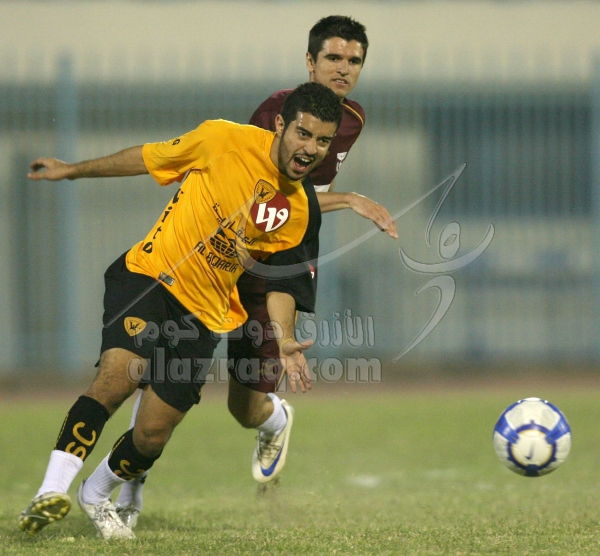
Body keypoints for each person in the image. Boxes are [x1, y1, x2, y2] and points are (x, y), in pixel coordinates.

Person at [18, 82, 343, 540]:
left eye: (323, 141)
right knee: (118, 376)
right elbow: (147, 158)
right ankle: (50, 490)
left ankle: (96, 492)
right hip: (149, 277)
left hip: (204, 316)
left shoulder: (303, 210)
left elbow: (281, 285)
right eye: (303, 134)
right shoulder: (222, 139)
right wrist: (73, 170)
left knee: (152, 434)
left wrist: (285, 338)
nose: (310, 149)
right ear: (279, 125)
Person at [113, 15, 398, 529]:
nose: (344, 68)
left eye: (354, 60)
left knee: (244, 407)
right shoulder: (275, 112)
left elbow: (299, 199)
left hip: (275, 273)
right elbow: (256, 193)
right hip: (224, 264)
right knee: (163, 374)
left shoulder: (352, 118)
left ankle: (276, 418)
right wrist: (349, 199)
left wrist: (341, 199)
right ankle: (128, 492)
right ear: (310, 61)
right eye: (333, 57)